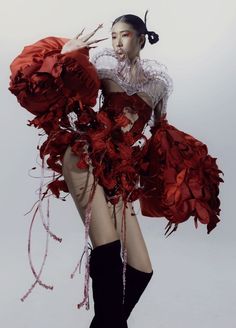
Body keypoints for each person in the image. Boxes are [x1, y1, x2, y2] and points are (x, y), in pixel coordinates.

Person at [8, 10, 224, 328]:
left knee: (141, 269)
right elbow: (73, 91)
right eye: (112, 36)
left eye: (123, 35)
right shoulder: (104, 64)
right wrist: (69, 53)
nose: (117, 42)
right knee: (107, 250)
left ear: (141, 38)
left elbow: (157, 133)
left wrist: (188, 168)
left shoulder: (160, 83)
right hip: (85, 153)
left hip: (119, 170)